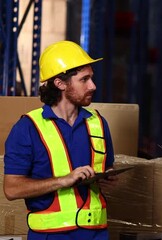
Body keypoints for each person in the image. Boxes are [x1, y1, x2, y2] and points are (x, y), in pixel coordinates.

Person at [3, 40, 117, 240]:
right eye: (84, 79)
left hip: (97, 233)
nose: (93, 86)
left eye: (92, 78)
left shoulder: (98, 123)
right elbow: (12, 189)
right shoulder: (27, 128)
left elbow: (107, 169)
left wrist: (107, 178)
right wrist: (65, 180)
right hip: (50, 235)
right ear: (60, 83)